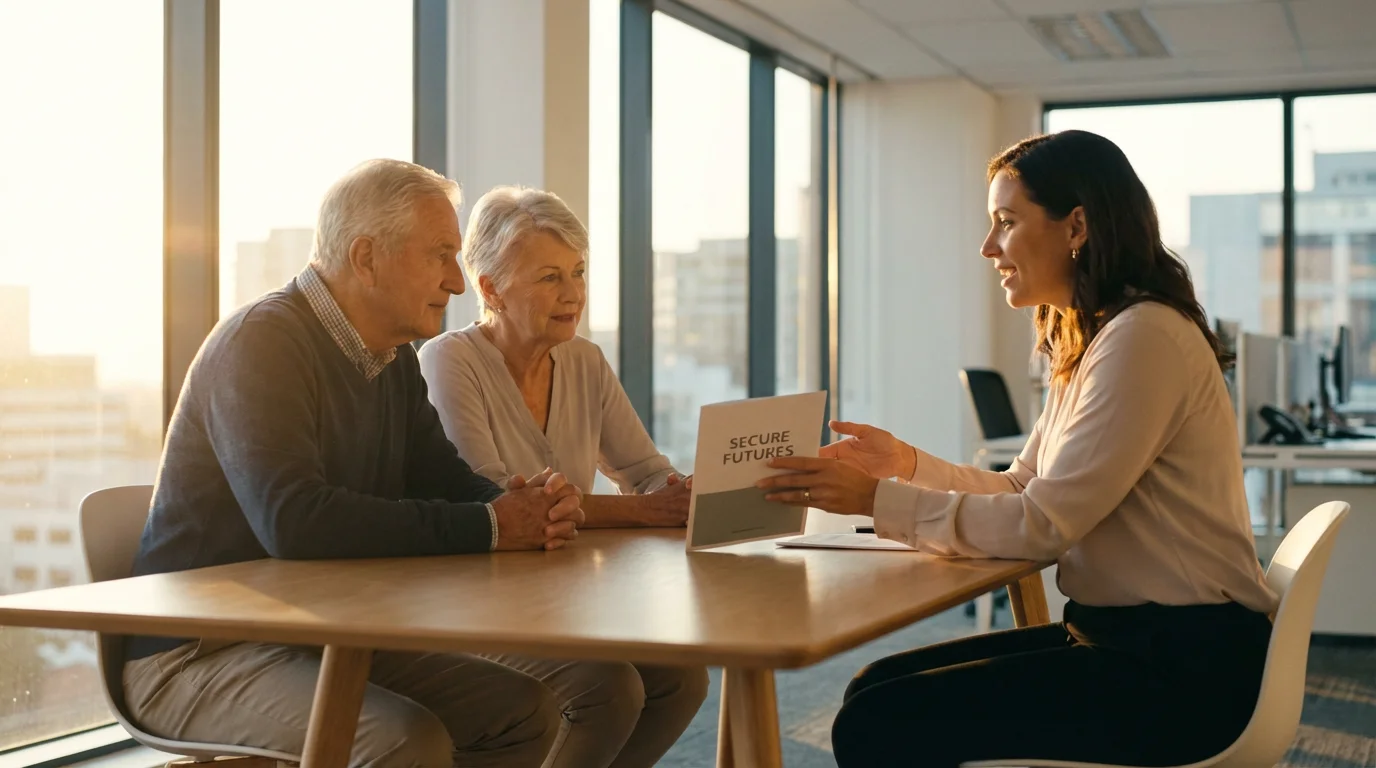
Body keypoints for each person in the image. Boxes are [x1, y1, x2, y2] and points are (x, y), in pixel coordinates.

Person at [756, 131, 1279, 767]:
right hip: (1126, 639)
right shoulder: (1098, 337)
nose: (987, 247)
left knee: (878, 722)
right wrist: (906, 467)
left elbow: (1042, 526)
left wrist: (878, 500)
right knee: (873, 690)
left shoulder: (1144, 339)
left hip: (1184, 669)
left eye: (1006, 222)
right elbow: (1022, 486)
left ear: (1077, 226)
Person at [123, 159, 591, 768]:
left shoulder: (392, 357)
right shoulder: (262, 343)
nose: (457, 281)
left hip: (317, 636)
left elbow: (446, 480)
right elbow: (294, 521)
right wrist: (497, 525)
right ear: (367, 257)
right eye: (442, 254)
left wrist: (530, 507)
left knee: (524, 713)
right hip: (197, 653)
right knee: (405, 739)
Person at [418, 185, 708, 768]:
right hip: (471, 601)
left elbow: (644, 472)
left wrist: (679, 494)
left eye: (578, 272)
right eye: (550, 277)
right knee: (611, 689)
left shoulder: (585, 361)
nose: (573, 293)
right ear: (490, 288)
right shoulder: (448, 359)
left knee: (683, 678)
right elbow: (496, 497)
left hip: (567, 595)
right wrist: (644, 510)